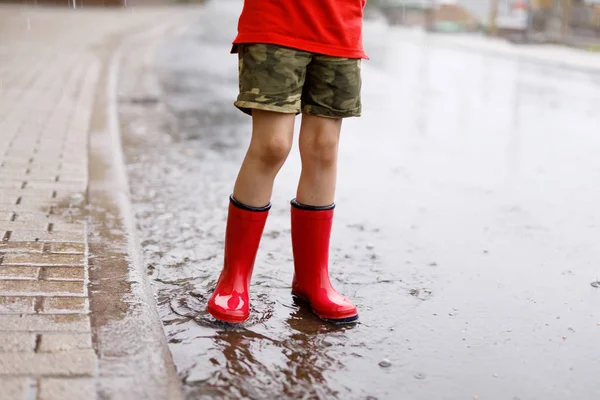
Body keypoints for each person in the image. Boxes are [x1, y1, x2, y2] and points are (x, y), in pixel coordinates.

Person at [206, 0, 368, 324]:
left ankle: (313, 280)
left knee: (324, 148)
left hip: (340, 25)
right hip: (276, 18)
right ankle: (233, 278)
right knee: (272, 145)